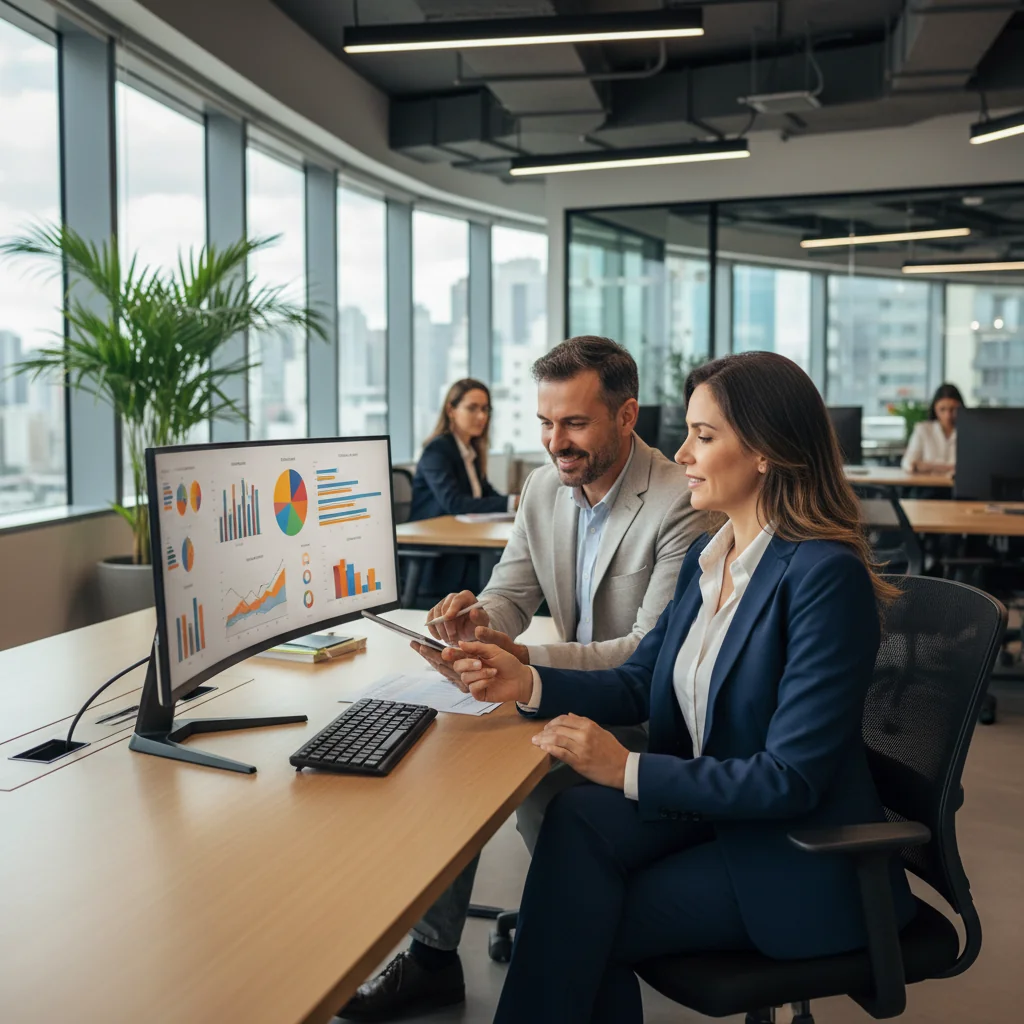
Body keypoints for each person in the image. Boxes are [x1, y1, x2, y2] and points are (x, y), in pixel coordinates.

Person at [451, 351, 917, 1024]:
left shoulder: (822, 577)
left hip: (787, 849)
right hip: (716, 814)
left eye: (703, 436)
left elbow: (790, 779)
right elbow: (645, 681)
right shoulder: (716, 554)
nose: (682, 453)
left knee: (585, 918)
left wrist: (627, 768)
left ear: (764, 453)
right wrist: (524, 682)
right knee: (574, 820)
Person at [337, 337, 703, 1021]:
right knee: (451, 754)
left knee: (511, 787)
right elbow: (511, 593)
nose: (554, 442)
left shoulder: (681, 499)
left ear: (626, 418)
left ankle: (570, 943)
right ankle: (434, 958)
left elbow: (646, 655)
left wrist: (525, 664)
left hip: (644, 721)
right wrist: (477, 618)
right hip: (570, 694)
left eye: (574, 423)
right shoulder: (544, 487)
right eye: (544, 423)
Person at [408, 378, 516, 595]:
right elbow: (455, 503)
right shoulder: (437, 451)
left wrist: (516, 502)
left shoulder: (469, 451)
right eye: (472, 408)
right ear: (451, 410)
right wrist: (512, 502)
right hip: (438, 556)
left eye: (485, 409)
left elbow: (484, 493)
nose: (481, 416)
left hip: (463, 549)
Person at [901, 383, 964, 475]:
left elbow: (973, 466)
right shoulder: (923, 429)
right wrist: (949, 467)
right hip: (928, 486)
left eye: (953, 409)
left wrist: (928, 466)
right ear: (935, 408)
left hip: (958, 487)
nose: (948, 416)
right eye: (942, 409)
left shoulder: (969, 432)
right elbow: (908, 463)